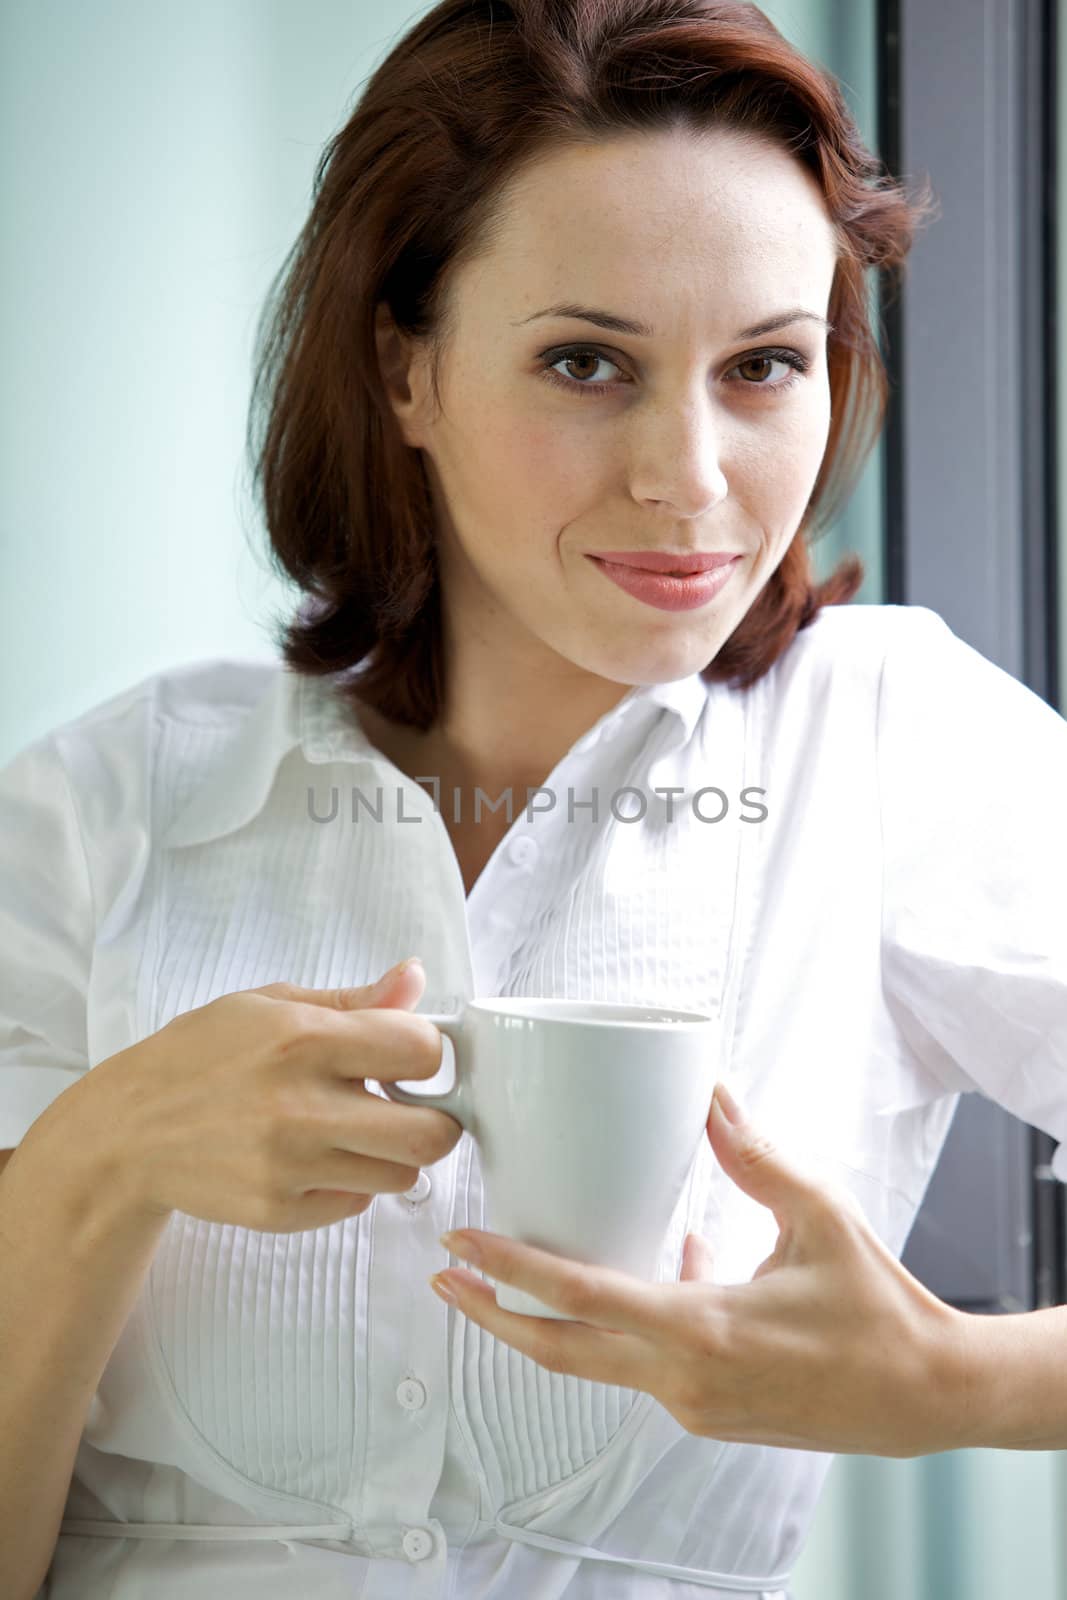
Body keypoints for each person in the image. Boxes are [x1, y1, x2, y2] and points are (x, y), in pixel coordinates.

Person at [2, 0, 1066, 1596]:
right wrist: (94, 1166)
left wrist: (953, 1388)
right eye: (588, 361)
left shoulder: (893, 741)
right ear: (403, 365)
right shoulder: (104, 807)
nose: (691, 476)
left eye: (767, 365)